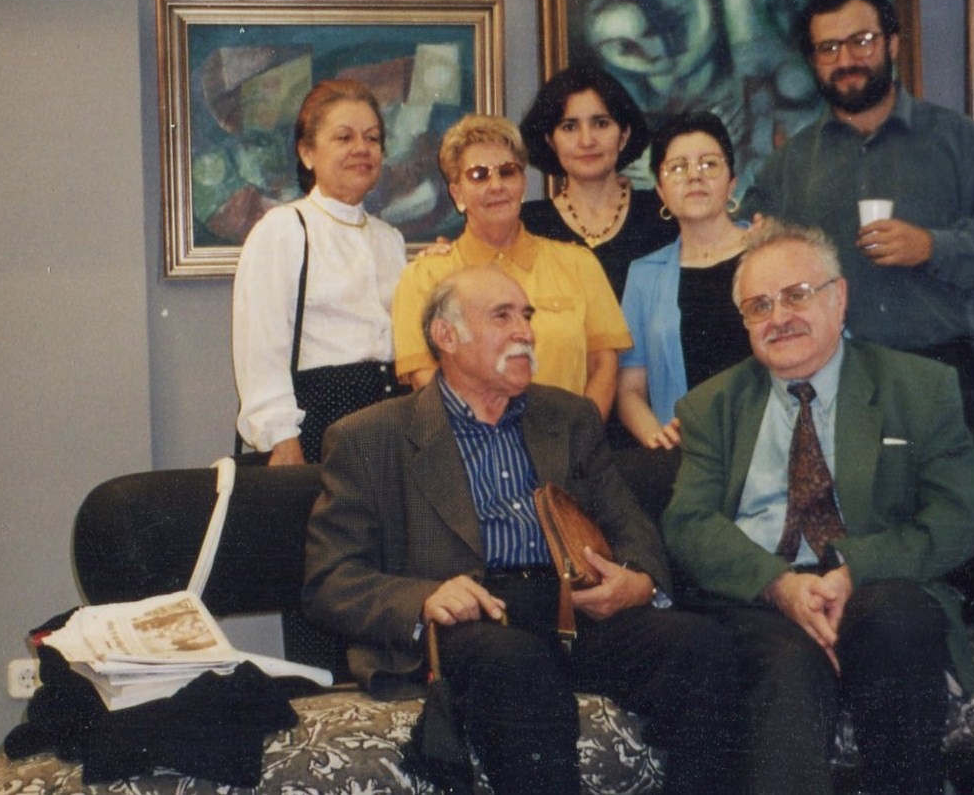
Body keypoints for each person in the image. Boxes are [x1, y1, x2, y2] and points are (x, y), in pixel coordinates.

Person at [304, 265, 743, 794]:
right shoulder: (370, 437)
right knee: (516, 664)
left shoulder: (570, 416)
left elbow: (629, 523)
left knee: (702, 646)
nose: (526, 332)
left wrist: (640, 580)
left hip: (573, 607)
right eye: (502, 316)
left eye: (527, 316)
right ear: (447, 336)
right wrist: (424, 598)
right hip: (476, 618)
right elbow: (330, 579)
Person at [662, 219, 974, 795]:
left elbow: (952, 525)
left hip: (874, 582)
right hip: (759, 596)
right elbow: (688, 524)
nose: (779, 317)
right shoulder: (712, 406)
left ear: (840, 297)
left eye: (797, 296)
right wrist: (779, 585)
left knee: (895, 620)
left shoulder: (920, 388)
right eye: (759, 306)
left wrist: (852, 572)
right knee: (788, 662)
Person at [740, 0, 974, 432]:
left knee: (956, 504)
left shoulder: (960, 141)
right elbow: (744, 243)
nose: (846, 60)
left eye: (861, 41)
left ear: (892, 44)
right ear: (813, 61)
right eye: (828, 48)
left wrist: (933, 247)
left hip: (943, 374)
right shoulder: (789, 164)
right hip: (829, 383)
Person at [391, 113, 632, 421]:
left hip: (567, 454)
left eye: (507, 172)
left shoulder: (579, 264)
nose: (496, 186)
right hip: (471, 453)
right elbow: (425, 380)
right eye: (479, 175)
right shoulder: (423, 278)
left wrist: (577, 443)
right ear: (457, 193)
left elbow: (604, 366)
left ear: (523, 182)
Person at [232, 77, 406, 464]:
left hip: (394, 423)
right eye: (344, 138)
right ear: (307, 153)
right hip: (321, 426)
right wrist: (282, 439)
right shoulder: (284, 229)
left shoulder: (390, 239)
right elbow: (262, 346)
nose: (362, 149)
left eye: (373, 138)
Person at [617, 111, 752, 450]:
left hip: (770, 445)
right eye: (677, 167)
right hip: (688, 457)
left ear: (732, 182)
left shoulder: (772, 253)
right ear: (660, 191)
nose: (695, 177)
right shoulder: (644, 275)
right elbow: (629, 388)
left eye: (709, 164)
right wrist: (656, 437)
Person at [519, 63, 677, 298]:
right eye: (569, 126)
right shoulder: (526, 225)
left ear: (624, 136)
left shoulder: (664, 214)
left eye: (601, 123)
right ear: (551, 141)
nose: (586, 140)